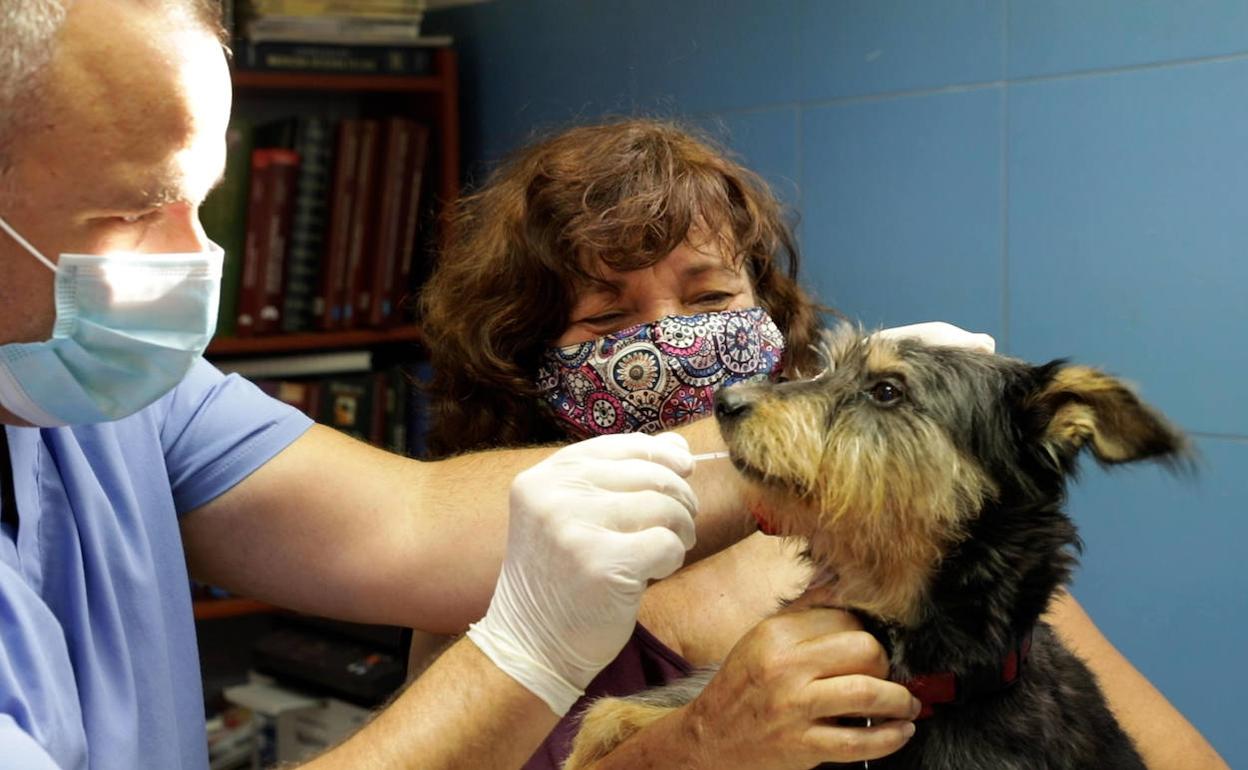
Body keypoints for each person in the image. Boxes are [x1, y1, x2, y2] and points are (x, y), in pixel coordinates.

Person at [0, 3, 759, 769]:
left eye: (197, 199)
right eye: (130, 211)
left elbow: (413, 525)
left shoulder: (123, 400)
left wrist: (816, 429)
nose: (194, 258)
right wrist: (526, 651)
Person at [418, 118, 1230, 769]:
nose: (674, 339)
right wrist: (687, 748)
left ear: (765, 311)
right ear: (524, 359)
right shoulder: (487, 574)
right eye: (606, 316)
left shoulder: (900, 537)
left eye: (709, 296)